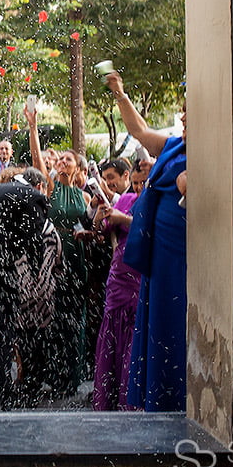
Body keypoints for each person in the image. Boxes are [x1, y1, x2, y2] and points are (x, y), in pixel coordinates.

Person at [105, 70, 187, 412]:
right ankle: (156, 397)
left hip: (178, 256)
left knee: (172, 321)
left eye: (188, 109)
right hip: (157, 255)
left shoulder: (207, 153)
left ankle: (174, 398)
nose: (182, 115)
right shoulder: (174, 145)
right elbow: (138, 130)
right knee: (154, 325)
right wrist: (121, 95)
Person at [24, 106, 93, 398]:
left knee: (74, 319)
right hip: (53, 261)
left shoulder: (85, 195)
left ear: (77, 168)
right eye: (61, 158)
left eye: (68, 159)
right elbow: (39, 159)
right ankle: (53, 375)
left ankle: (72, 376)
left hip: (77, 259)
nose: (62, 161)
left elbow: (94, 227)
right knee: (54, 318)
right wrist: (33, 126)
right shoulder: (50, 187)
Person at [0, 166, 62, 408]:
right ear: (39, 188)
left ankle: (4, 393)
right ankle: (26, 393)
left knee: (5, 343)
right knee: (30, 347)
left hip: (13, 291)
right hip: (32, 295)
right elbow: (53, 259)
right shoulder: (39, 213)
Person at [91, 161, 148, 411]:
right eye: (135, 183)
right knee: (112, 334)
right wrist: (99, 214)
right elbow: (101, 229)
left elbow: (148, 230)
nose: (138, 187)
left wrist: (122, 218)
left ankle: (130, 397)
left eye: (141, 182)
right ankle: (107, 397)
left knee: (133, 335)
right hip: (118, 275)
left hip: (139, 272)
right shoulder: (124, 200)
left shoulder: (151, 200)